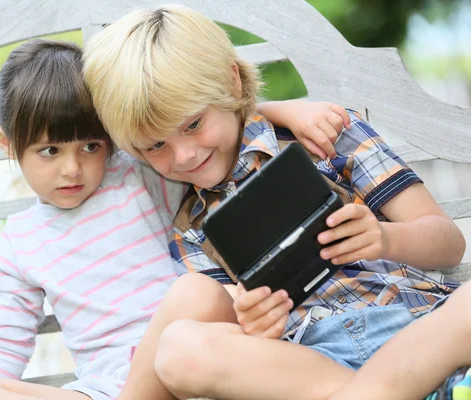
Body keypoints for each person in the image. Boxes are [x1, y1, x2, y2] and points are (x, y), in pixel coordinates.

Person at [83, 4, 468, 400]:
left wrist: (385, 239)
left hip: (417, 326)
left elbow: (449, 243)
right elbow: (238, 333)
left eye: (193, 124)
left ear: (231, 82)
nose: (184, 156)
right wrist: (257, 324)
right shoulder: (191, 230)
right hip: (312, 363)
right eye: (156, 145)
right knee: (179, 348)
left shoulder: (328, 137)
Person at [0, 39, 350, 400]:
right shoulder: (20, 240)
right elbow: (6, 344)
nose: (72, 169)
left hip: (192, 354)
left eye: (90, 146)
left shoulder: (138, 175)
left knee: (193, 292)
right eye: (49, 151)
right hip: (104, 389)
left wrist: (283, 110)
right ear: (7, 143)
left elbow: (196, 129)